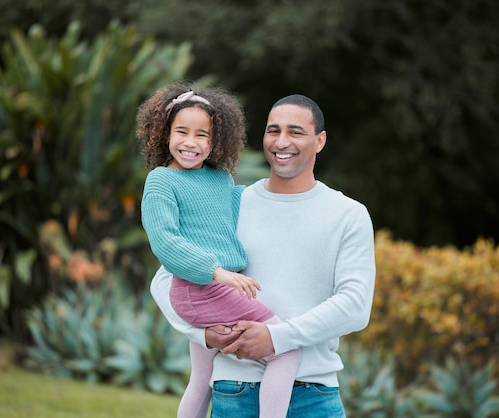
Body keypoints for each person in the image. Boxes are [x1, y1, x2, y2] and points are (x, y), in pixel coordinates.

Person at [150, 93, 376, 417]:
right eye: (273, 130)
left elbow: (355, 305)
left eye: (295, 131)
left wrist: (277, 337)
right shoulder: (234, 203)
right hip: (234, 392)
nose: (281, 141)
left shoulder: (347, 214)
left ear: (320, 140)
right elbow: (165, 278)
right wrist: (200, 334)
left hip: (315, 396)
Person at [137, 82, 302, 418]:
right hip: (201, 289)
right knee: (286, 349)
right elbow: (166, 243)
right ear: (164, 133)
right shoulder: (160, 181)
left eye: (202, 135)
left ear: (215, 142)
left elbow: (248, 208)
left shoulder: (220, 180)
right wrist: (217, 272)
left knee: (202, 378)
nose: (190, 143)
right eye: (182, 131)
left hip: (215, 288)